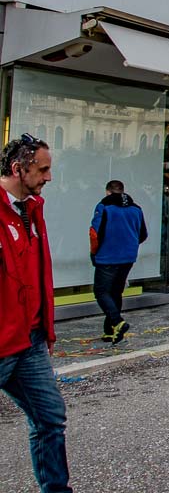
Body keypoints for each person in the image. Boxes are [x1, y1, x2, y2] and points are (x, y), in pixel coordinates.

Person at [0, 134, 73, 493]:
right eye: (42, 170)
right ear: (18, 169)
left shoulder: (32, 208)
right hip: (1, 340)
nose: (48, 177)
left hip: (28, 340)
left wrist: (46, 330)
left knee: (49, 418)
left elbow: (37, 274)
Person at [89, 179, 147, 343]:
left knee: (101, 292)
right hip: (128, 257)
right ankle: (109, 331)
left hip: (107, 256)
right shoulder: (136, 209)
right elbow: (143, 234)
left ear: (108, 192)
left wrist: (94, 253)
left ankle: (117, 322)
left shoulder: (104, 207)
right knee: (115, 292)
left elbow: (95, 233)